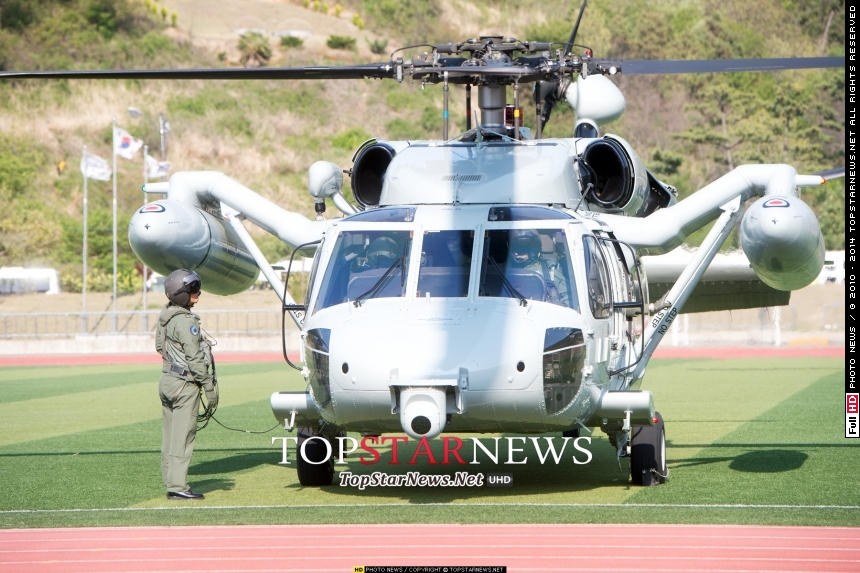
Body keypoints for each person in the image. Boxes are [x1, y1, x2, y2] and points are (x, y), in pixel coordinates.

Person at [155, 269, 218, 500]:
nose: (198, 295)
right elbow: (194, 358)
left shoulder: (166, 315)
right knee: (183, 437)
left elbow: (160, 348)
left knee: (170, 436)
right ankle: (178, 487)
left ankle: (171, 481)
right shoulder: (186, 321)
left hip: (167, 380)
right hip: (185, 385)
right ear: (182, 294)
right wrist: (208, 387)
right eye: (193, 291)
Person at [506, 230, 569, 306]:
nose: (515, 253)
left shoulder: (550, 270)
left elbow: (568, 298)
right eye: (513, 249)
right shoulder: (503, 270)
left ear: (532, 249)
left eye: (520, 249)